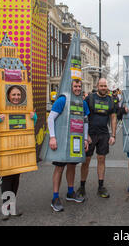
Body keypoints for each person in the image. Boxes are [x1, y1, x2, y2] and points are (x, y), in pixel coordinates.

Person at [0, 86, 37, 220]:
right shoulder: (0, 112)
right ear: (8, 96)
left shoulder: (25, 110)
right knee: (7, 180)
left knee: (16, 180)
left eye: (18, 95)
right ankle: (5, 208)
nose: (16, 97)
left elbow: (30, 125)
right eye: (14, 95)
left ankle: (12, 207)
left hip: (18, 149)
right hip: (6, 151)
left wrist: (34, 117)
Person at [48, 79, 90, 212]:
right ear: (70, 86)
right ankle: (55, 197)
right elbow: (51, 118)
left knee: (72, 165)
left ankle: (70, 192)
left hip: (76, 140)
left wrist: (84, 139)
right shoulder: (62, 100)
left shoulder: (83, 103)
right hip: (61, 139)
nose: (77, 88)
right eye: (75, 86)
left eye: (79, 86)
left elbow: (85, 122)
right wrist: (52, 137)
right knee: (59, 168)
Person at [76, 78, 117, 199]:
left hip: (104, 134)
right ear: (97, 86)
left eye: (105, 86)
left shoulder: (110, 100)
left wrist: (113, 135)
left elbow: (113, 117)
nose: (103, 88)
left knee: (101, 159)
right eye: (101, 86)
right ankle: (82, 186)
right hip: (90, 134)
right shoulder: (90, 98)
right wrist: (85, 135)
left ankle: (101, 187)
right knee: (86, 160)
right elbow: (83, 116)